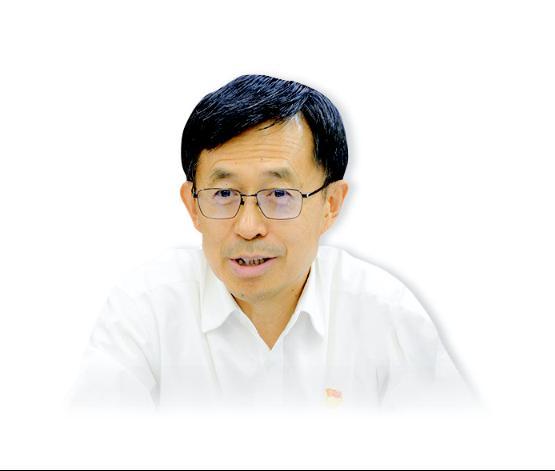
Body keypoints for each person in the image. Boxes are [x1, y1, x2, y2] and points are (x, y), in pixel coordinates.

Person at [67, 74, 475, 412]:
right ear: (193, 206)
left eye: (279, 195)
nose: (248, 227)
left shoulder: (385, 315)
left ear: (331, 205)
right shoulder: (145, 310)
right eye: (224, 194)